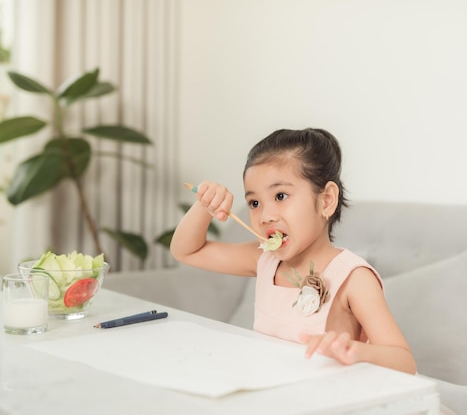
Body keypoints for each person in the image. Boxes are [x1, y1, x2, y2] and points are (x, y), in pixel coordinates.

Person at [170, 128, 416, 374]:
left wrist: (355, 351)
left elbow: (403, 361)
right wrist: (206, 205)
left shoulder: (354, 277)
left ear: (327, 200)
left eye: (280, 196)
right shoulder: (264, 259)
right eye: (255, 203)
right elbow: (187, 251)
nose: (266, 216)